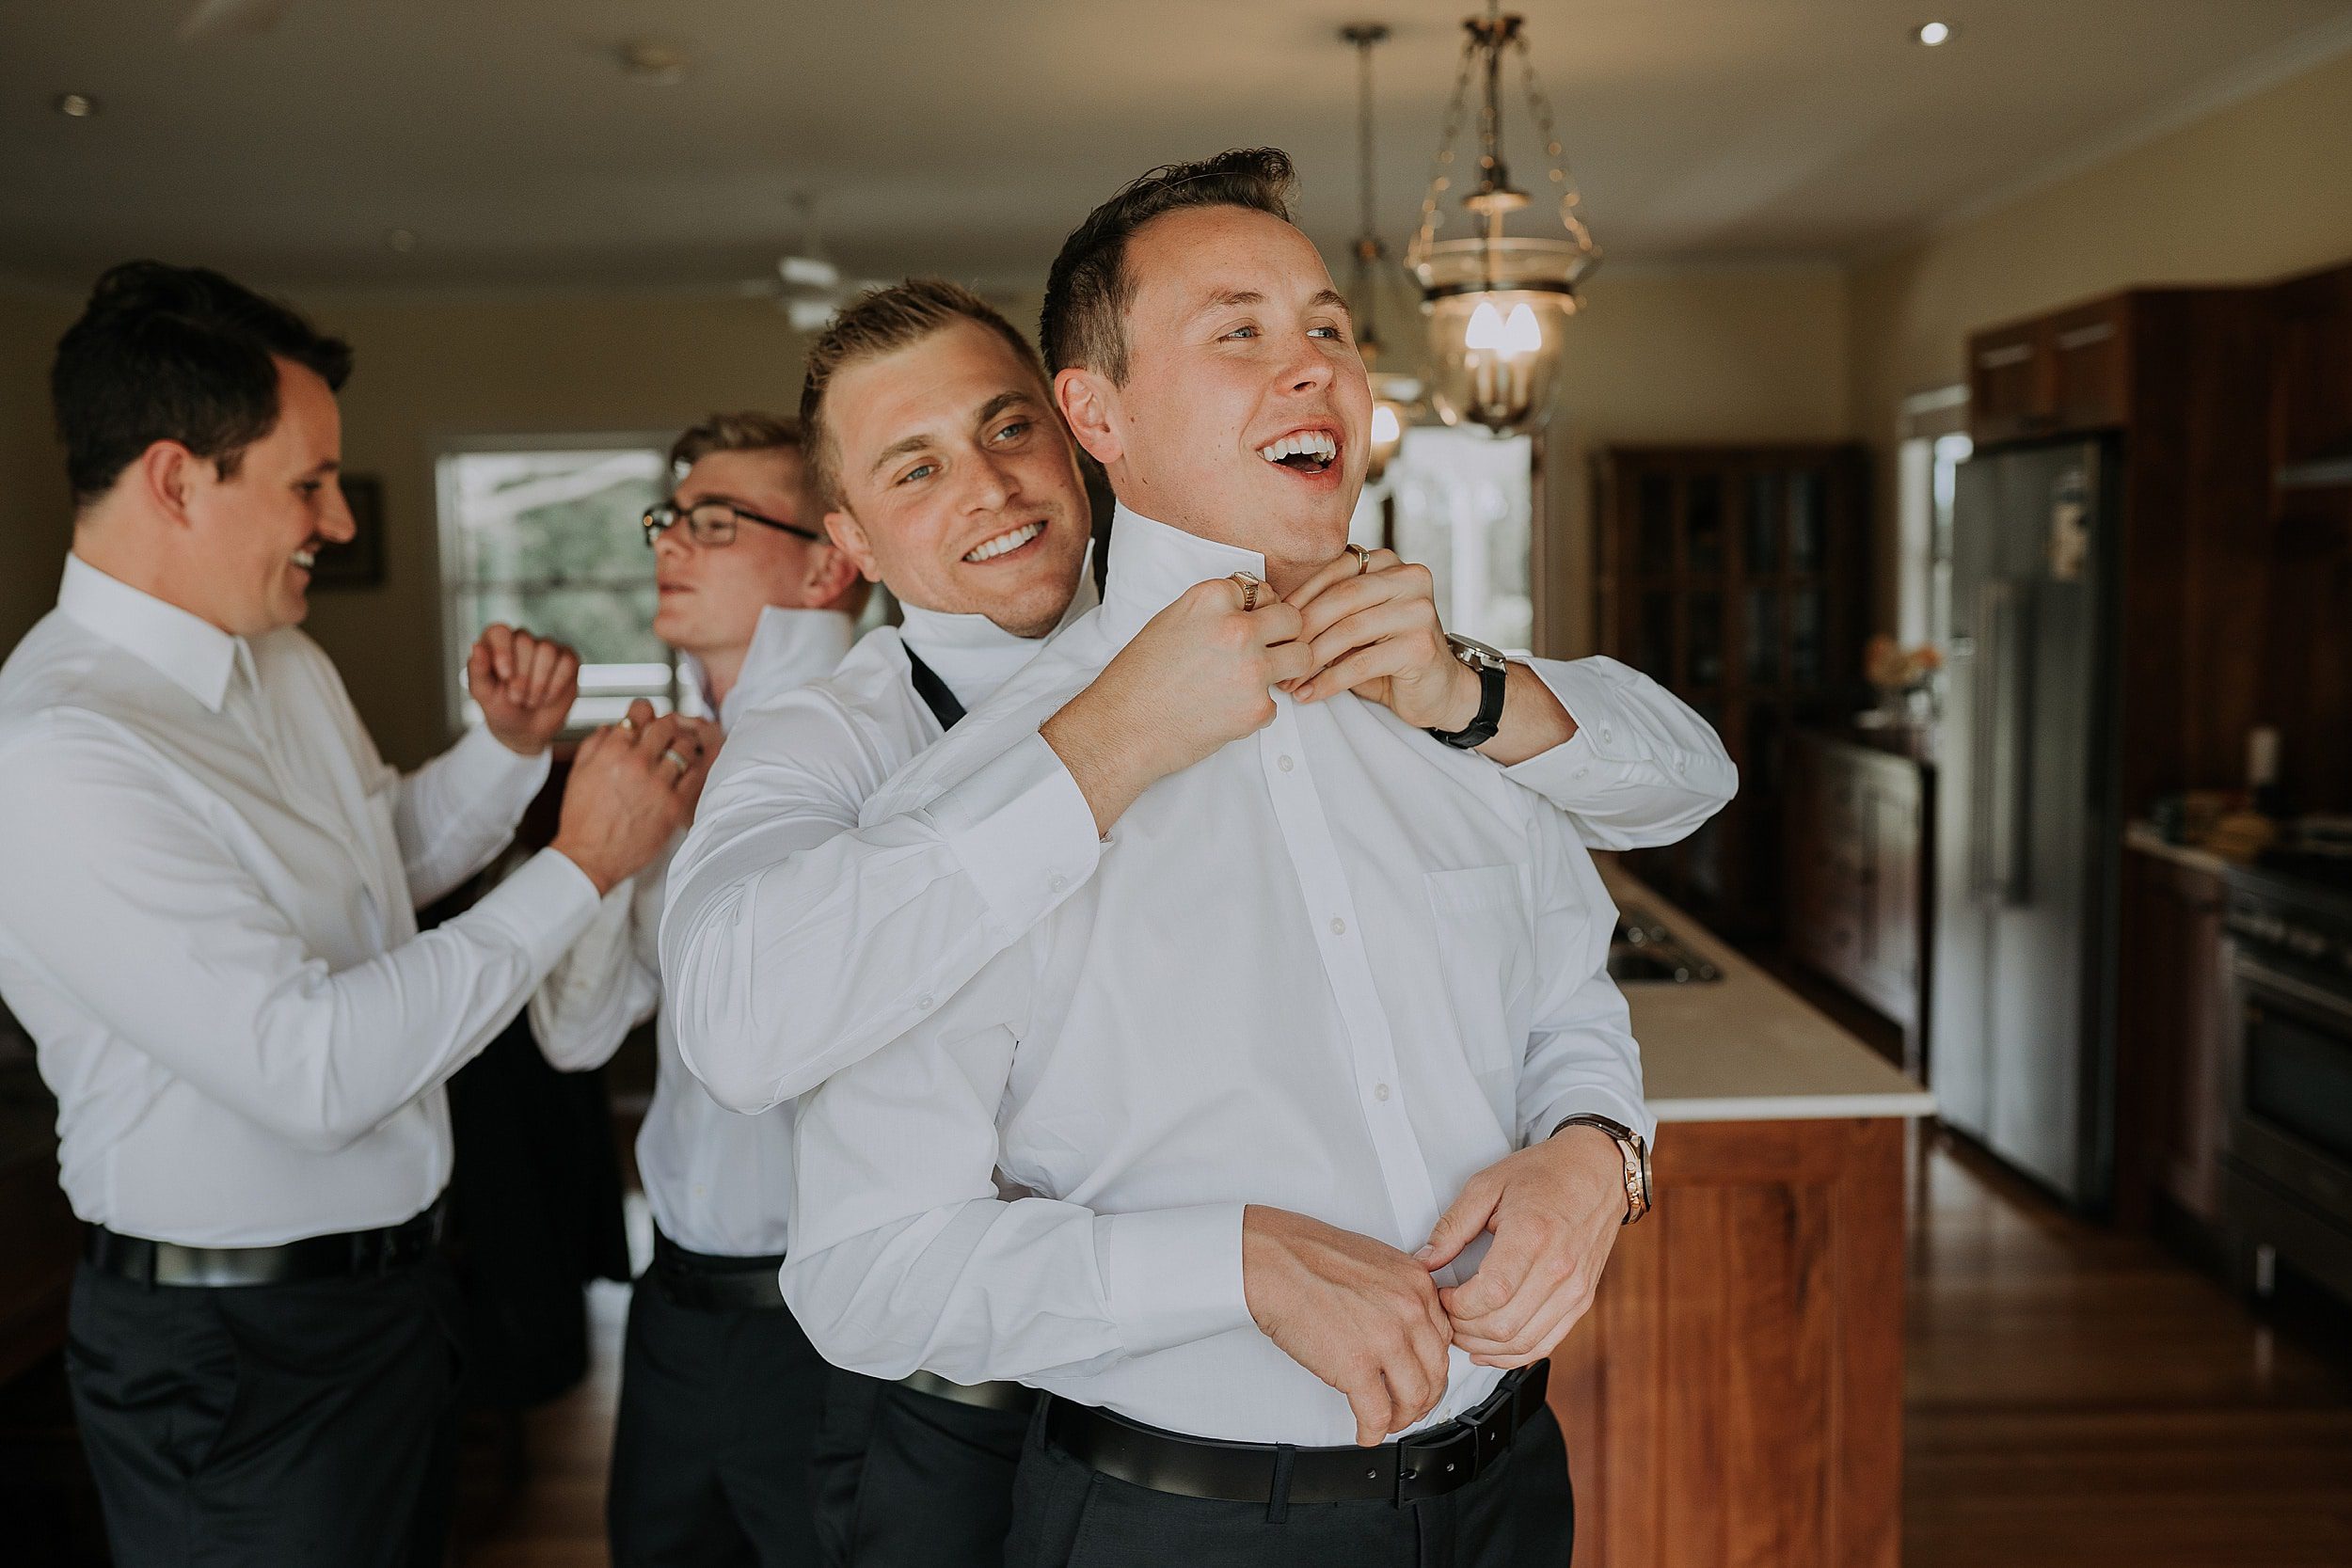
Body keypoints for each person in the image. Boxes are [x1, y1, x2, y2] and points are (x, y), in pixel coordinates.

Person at [666, 270, 1727, 1560]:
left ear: (1081, 429)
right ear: (849, 546)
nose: (991, 489)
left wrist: (1601, 1148)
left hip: (1458, 1463)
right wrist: (1103, 745)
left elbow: (1638, 843)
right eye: (916, 469)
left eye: (1008, 429)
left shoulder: (1337, 654)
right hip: (965, 1420)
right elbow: (737, 1024)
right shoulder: (828, 747)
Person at [0, 261, 700, 1568]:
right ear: (174, 477)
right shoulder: (57, 751)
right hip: (235, 1363)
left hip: (388, 1306)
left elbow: (375, 867)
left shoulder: (281, 658)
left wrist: (508, 754)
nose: (333, 517)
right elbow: (311, 1066)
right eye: (306, 481)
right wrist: (585, 866)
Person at [528, 410, 867, 1566]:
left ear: (828, 560)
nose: (672, 540)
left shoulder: (886, 746)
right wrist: (609, 855)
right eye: (671, 516)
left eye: (716, 521)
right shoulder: (661, 756)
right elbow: (576, 1039)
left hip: (835, 1324)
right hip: (673, 1314)